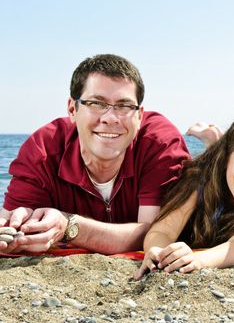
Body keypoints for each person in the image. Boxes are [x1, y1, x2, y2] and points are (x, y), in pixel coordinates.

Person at [0, 54, 190, 254]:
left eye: (124, 106)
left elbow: (156, 234)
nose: (110, 118)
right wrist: (20, 231)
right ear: (72, 109)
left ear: (140, 116)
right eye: (97, 103)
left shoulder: (160, 144)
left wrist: (68, 226)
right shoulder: (43, 151)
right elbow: (11, 234)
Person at [133, 115, 234, 278]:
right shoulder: (199, 181)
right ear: (227, 157)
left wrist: (198, 260)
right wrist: (159, 252)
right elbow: (164, 231)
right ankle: (211, 139)